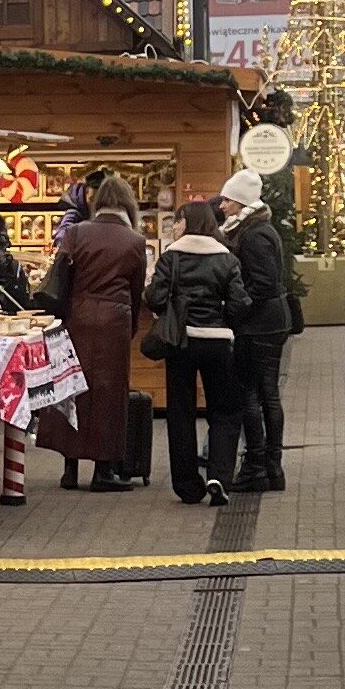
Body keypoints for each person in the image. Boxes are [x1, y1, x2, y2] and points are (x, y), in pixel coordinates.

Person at [43, 173, 148, 493]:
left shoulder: (76, 233)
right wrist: (130, 326)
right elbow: (136, 290)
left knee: (72, 388)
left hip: (78, 317)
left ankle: (69, 469)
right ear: (128, 204)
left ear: (97, 200)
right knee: (109, 394)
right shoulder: (135, 241)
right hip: (114, 322)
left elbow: (62, 279)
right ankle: (103, 471)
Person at [143, 198, 250, 504]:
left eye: (178, 220)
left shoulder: (171, 257)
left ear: (188, 223)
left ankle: (187, 486)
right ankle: (219, 476)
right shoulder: (227, 258)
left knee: (180, 412)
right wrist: (224, 320)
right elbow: (240, 303)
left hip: (181, 342)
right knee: (225, 410)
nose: (174, 226)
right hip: (217, 342)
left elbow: (155, 297)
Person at [219, 165, 293, 492]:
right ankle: (270, 467)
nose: (222, 205)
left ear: (241, 202)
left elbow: (263, 283)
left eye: (227, 200)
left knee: (254, 394)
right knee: (266, 393)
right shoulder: (256, 228)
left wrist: (235, 308)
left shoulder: (253, 234)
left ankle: (258, 465)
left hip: (259, 326)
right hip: (268, 322)